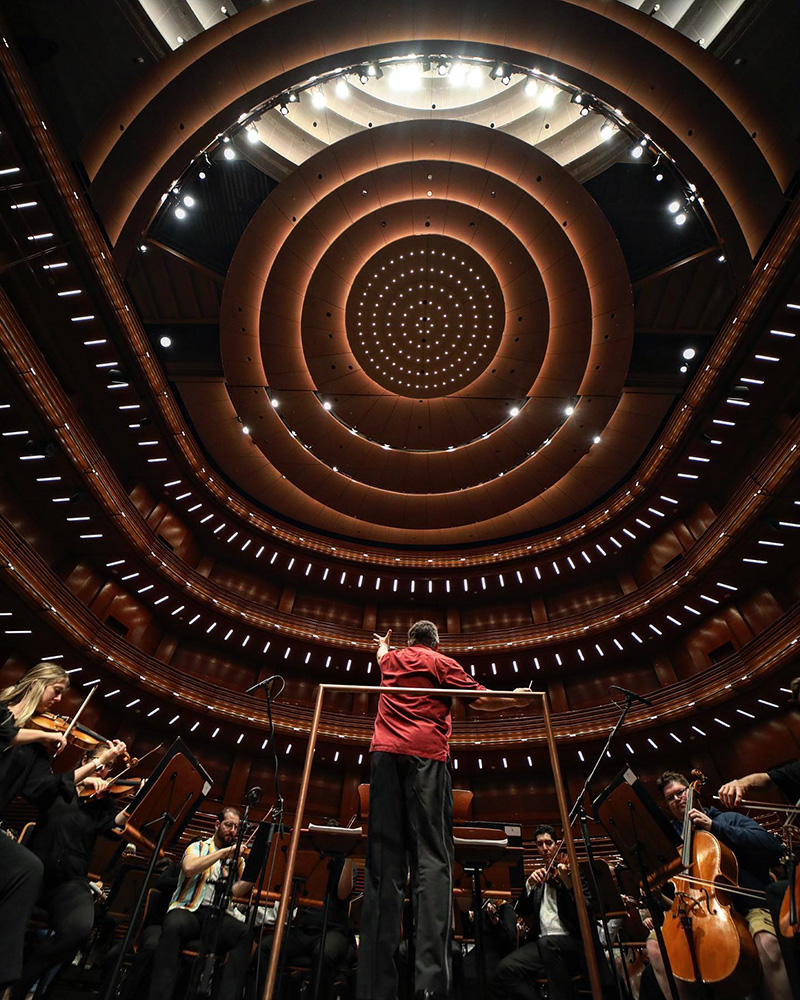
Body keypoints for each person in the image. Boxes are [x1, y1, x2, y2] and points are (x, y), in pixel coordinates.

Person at [356, 619, 529, 1000]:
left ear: (409, 641)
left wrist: (383, 646)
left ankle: (373, 990)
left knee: (383, 865)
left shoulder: (392, 660)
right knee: (432, 860)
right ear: (434, 643)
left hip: (383, 758)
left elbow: (382, 654)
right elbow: (481, 698)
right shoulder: (439, 662)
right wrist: (516, 697)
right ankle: (429, 987)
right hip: (425, 758)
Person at [0, 662, 110, 992]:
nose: (60, 701)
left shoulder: (35, 750)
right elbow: (6, 732)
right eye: (56, 691)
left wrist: (93, 765)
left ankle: (6, 977)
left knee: (26, 868)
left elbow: (43, 789)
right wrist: (47, 733)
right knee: (27, 867)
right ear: (38, 684)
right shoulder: (4, 712)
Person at [646, 770, 791, 1000]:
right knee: (655, 949)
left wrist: (714, 827)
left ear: (692, 791)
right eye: (670, 798)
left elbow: (774, 848)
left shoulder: (727, 819)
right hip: (696, 914)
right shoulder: (673, 842)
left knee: (768, 943)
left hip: (746, 906)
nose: (677, 800)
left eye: (680, 793)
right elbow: (675, 894)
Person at [9, 740, 130, 1000]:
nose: (105, 771)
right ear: (87, 759)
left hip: (70, 882)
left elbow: (116, 826)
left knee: (79, 927)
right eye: (102, 763)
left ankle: (19, 988)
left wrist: (139, 804)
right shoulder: (59, 787)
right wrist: (82, 780)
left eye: (110, 767)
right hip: (35, 874)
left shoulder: (102, 804)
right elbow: (41, 788)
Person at [718, 676, 800, 997]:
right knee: (783, 897)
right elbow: (767, 778)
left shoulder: (726, 821)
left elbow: (768, 846)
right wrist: (741, 782)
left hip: (751, 902)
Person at [147, 806, 252, 1000]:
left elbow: (235, 891)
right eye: (229, 825)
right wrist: (221, 854)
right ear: (217, 824)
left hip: (217, 915)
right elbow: (188, 868)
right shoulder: (199, 847)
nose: (233, 831)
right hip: (189, 910)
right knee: (174, 925)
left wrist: (252, 871)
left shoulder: (237, 860)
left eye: (237, 828)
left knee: (244, 934)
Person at [491, 824, 584, 1000]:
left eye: (548, 843)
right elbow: (520, 910)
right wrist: (529, 885)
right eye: (540, 844)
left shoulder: (570, 872)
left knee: (548, 945)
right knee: (505, 969)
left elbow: (581, 908)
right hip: (541, 943)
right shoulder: (538, 879)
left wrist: (567, 883)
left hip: (567, 942)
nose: (545, 848)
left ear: (556, 844)